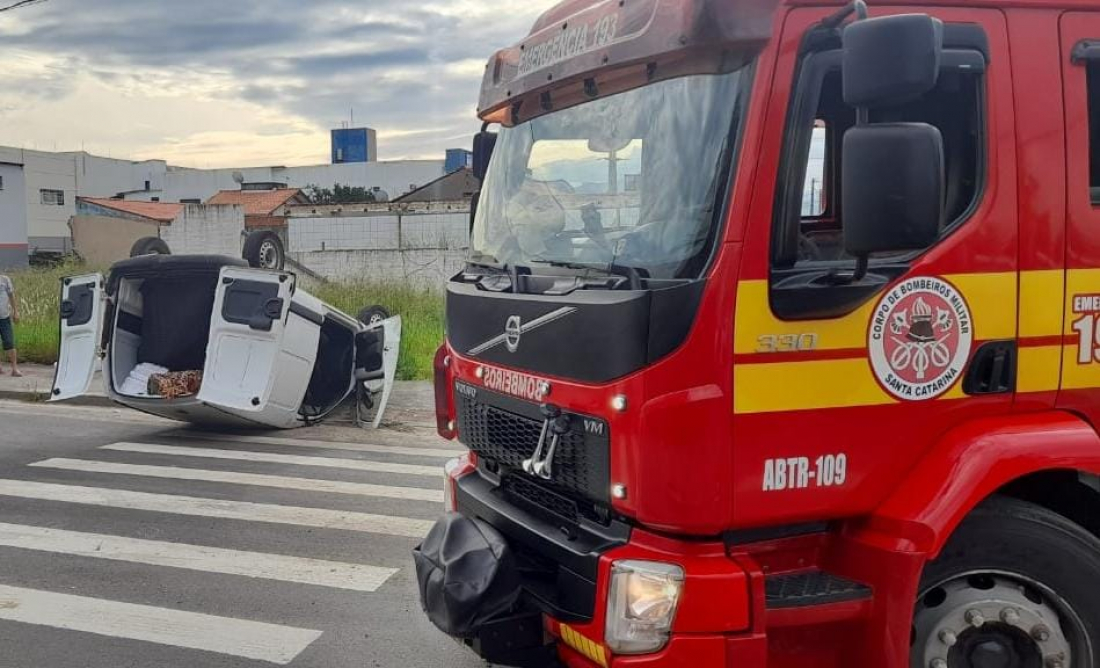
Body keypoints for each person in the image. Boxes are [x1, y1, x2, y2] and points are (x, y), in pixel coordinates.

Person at [0, 273, 21, 377]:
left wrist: (15, 311)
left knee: (9, 342)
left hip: (4, 317)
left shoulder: (4, 279)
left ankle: (14, 369)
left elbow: (11, 296)